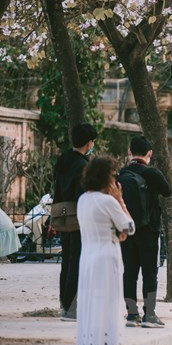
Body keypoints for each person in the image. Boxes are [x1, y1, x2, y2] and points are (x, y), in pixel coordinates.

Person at [75, 156, 136, 345]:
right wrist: (120, 200)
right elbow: (129, 227)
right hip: (107, 258)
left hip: (88, 259)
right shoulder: (109, 201)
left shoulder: (83, 199)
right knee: (108, 306)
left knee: (92, 305)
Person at [118, 136, 172, 328]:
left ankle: (131, 314)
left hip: (127, 230)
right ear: (150, 153)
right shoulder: (152, 173)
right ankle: (149, 314)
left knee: (129, 273)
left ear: (129, 152)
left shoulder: (122, 173)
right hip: (149, 230)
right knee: (150, 273)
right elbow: (167, 192)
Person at [53, 122, 97, 321]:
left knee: (67, 259)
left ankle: (65, 302)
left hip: (62, 215)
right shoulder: (82, 165)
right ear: (89, 142)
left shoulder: (63, 160)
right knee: (77, 261)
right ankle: (72, 307)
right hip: (78, 216)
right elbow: (82, 194)